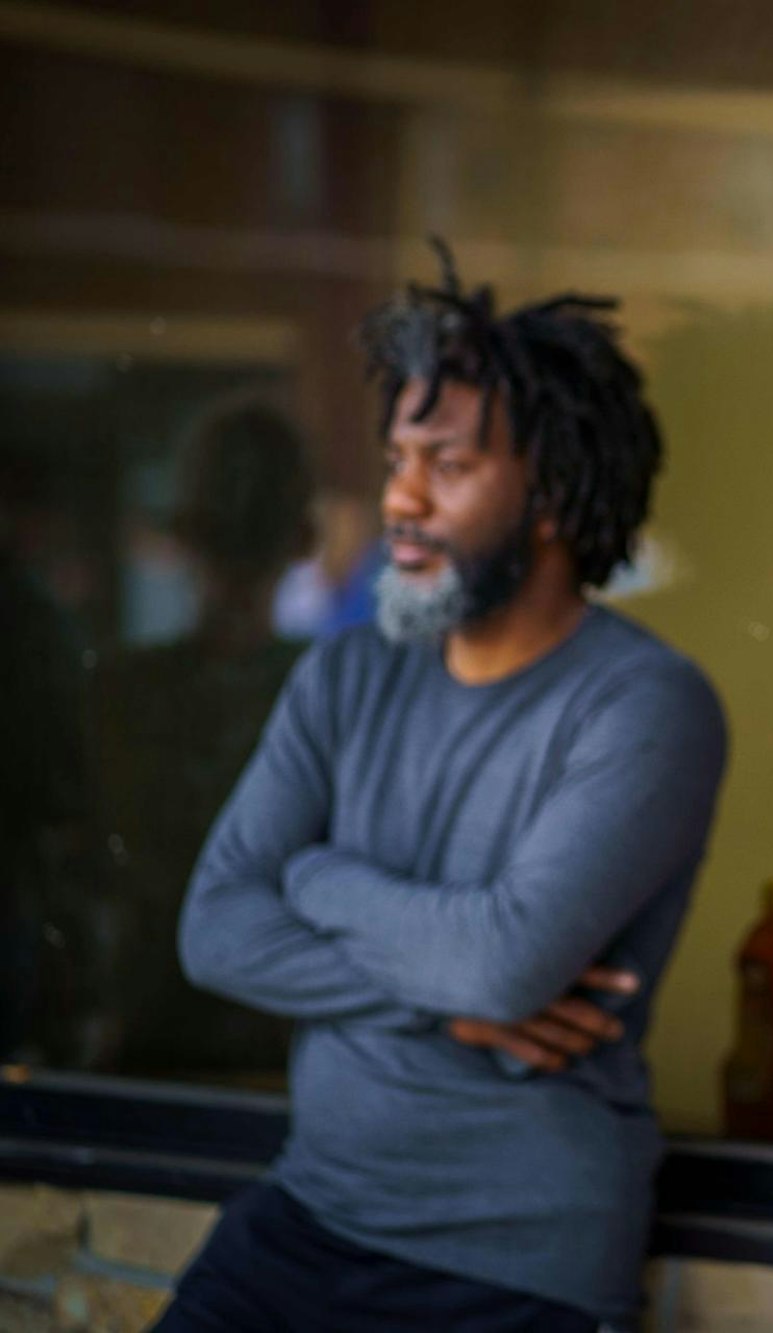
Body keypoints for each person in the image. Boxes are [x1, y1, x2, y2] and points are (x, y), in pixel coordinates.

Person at [159, 246, 727, 1333]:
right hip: (307, 1214)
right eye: (394, 461)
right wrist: (454, 1000)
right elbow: (215, 929)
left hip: (512, 1268)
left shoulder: (645, 703)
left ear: (551, 493)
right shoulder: (346, 670)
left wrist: (317, 873)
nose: (399, 501)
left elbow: (501, 962)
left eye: (447, 467)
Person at [95, 399, 316, 1077]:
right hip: (248, 1055)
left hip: (167, 1052)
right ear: (302, 540)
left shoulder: (117, 692)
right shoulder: (334, 698)